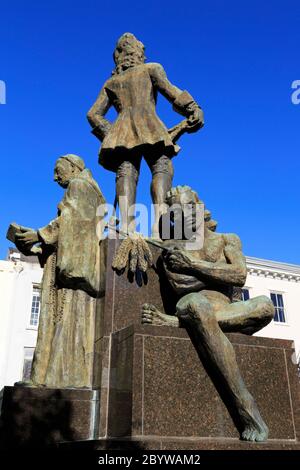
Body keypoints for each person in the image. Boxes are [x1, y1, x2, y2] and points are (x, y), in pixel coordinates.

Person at [142, 185, 275, 442]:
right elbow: (182, 285)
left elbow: (239, 275)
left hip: (226, 310)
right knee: (198, 306)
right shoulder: (172, 248)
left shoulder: (227, 239)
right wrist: (213, 271)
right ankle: (245, 409)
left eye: (189, 207)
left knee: (265, 305)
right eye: (177, 211)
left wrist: (194, 265)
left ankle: (179, 324)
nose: (185, 214)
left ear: (200, 208)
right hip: (193, 304)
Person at [87, 33, 204, 237]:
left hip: (121, 131)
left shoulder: (112, 82)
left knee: (126, 172)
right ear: (137, 51)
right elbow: (171, 91)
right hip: (150, 126)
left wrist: (111, 134)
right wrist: (192, 108)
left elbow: (93, 115)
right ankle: (161, 226)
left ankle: (126, 226)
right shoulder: (151, 69)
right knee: (162, 168)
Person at [14, 154, 106, 388]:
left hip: (67, 274)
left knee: (59, 318)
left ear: (74, 168)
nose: (55, 176)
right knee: (64, 320)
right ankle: (50, 376)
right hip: (65, 262)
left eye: (59, 170)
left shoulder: (79, 186)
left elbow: (70, 220)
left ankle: (50, 378)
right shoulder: (89, 190)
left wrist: (39, 234)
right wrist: (39, 246)